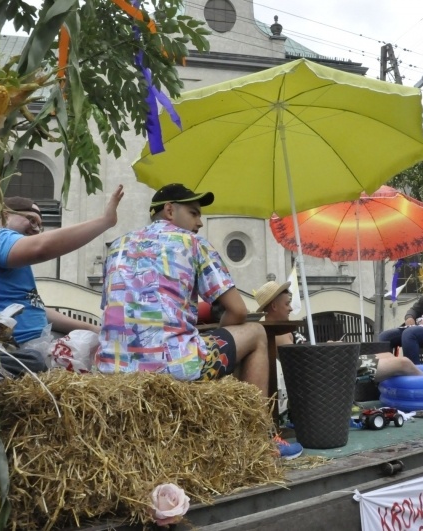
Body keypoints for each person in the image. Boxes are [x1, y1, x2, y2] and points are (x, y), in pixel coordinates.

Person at [95, 183, 302, 460]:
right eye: (194, 213)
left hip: (112, 370)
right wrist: (219, 332)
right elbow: (238, 311)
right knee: (254, 333)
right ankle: (259, 440)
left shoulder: (116, 246)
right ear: (169, 210)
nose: (200, 223)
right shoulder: (193, 243)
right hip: (172, 365)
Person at [0, 189, 124, 375]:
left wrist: (91, 327)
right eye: (31, 219)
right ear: (5, 216)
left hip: (34, 348)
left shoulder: (15, 265)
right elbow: (41, 248)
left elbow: (33, 308)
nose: (36, 229)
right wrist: (104, 222)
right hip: (17, 354)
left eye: (40, 225)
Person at [256, 280, 423, 382]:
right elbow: (303, 365)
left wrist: (327, 345)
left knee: (388, 356)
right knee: (404, 363)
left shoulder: (281, 329)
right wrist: (329, 349)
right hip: (335, 369)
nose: (290, 308)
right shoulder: (277, 334)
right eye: (287, 304)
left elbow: (305, 354)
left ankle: (410, 393)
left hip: (333, 363)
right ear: (273, 306)